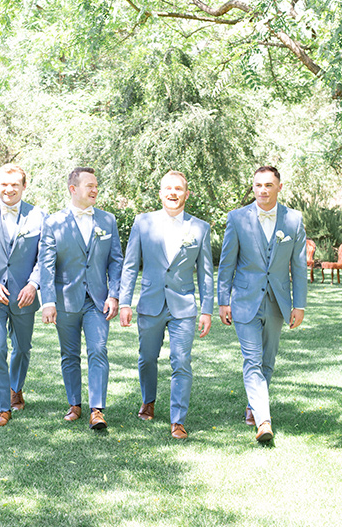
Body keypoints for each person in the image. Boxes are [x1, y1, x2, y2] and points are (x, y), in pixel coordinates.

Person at [119, 170, 214, 440]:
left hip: (183, 305)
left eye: (178, 189)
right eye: (167, 189)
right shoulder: (142, 222)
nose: (173, 193)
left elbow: (206, 273)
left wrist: (207, 309)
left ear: (186, 193)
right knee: (147, 357)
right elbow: (129, 265)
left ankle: (177, 419)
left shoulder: (200, 228)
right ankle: (148, 401)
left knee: (181, 361)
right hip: (150, 302)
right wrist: (125, 301)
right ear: (160, 193)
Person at [217, 166, 307, 442]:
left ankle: (253, 406)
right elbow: (227, 263)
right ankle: (264, 421)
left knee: (268, 361)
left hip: (278, 301)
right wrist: (223, 301)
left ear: (279, 187)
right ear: (253, 187)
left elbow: (299, 265)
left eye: (269, 185)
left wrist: (299, 305)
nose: (263, 190)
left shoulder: (293, 219)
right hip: (245, 301)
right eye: (258, 185)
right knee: (252, 360)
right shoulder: (236, 218)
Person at [39, 167, 123, 430]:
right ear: (73, 189)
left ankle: (97, 409)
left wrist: (114, 294)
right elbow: (46, 264)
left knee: (98, 349)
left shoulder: (107, 221)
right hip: (65, 299)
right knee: (69, 353)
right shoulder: (53, 222)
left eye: (96, 185)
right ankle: (74, 403)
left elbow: (116, 261)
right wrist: (48, 301)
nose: (95, 189)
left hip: (98, 300)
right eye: (89, 185)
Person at [0, 164, 45, 427]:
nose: (9, 189)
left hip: (24, 294)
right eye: (4, 184)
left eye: (15, 184)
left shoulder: (38, 216)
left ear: (24, 186)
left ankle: (16, 388)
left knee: (22, 348)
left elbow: (45, 257)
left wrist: (34, 284)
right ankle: (2, 407)